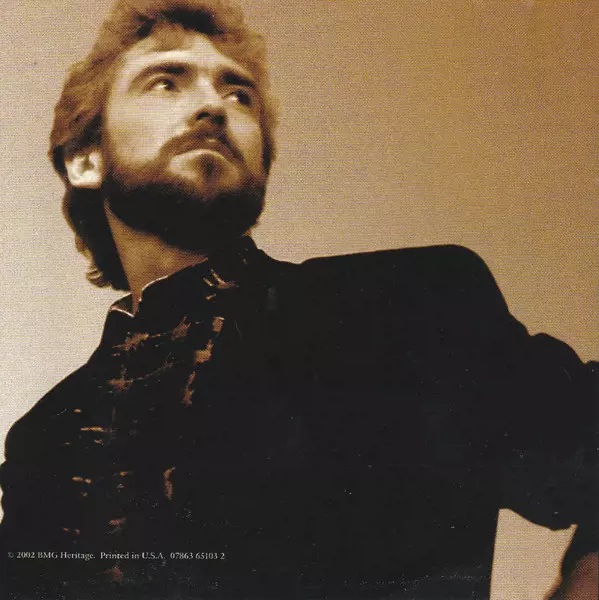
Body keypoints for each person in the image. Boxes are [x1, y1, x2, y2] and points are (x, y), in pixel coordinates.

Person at [0, 0, 596, 598]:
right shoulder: (45, 438)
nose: (213, 106)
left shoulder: (409, 303)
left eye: (240, 96)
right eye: (166, 82)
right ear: (85, 160)